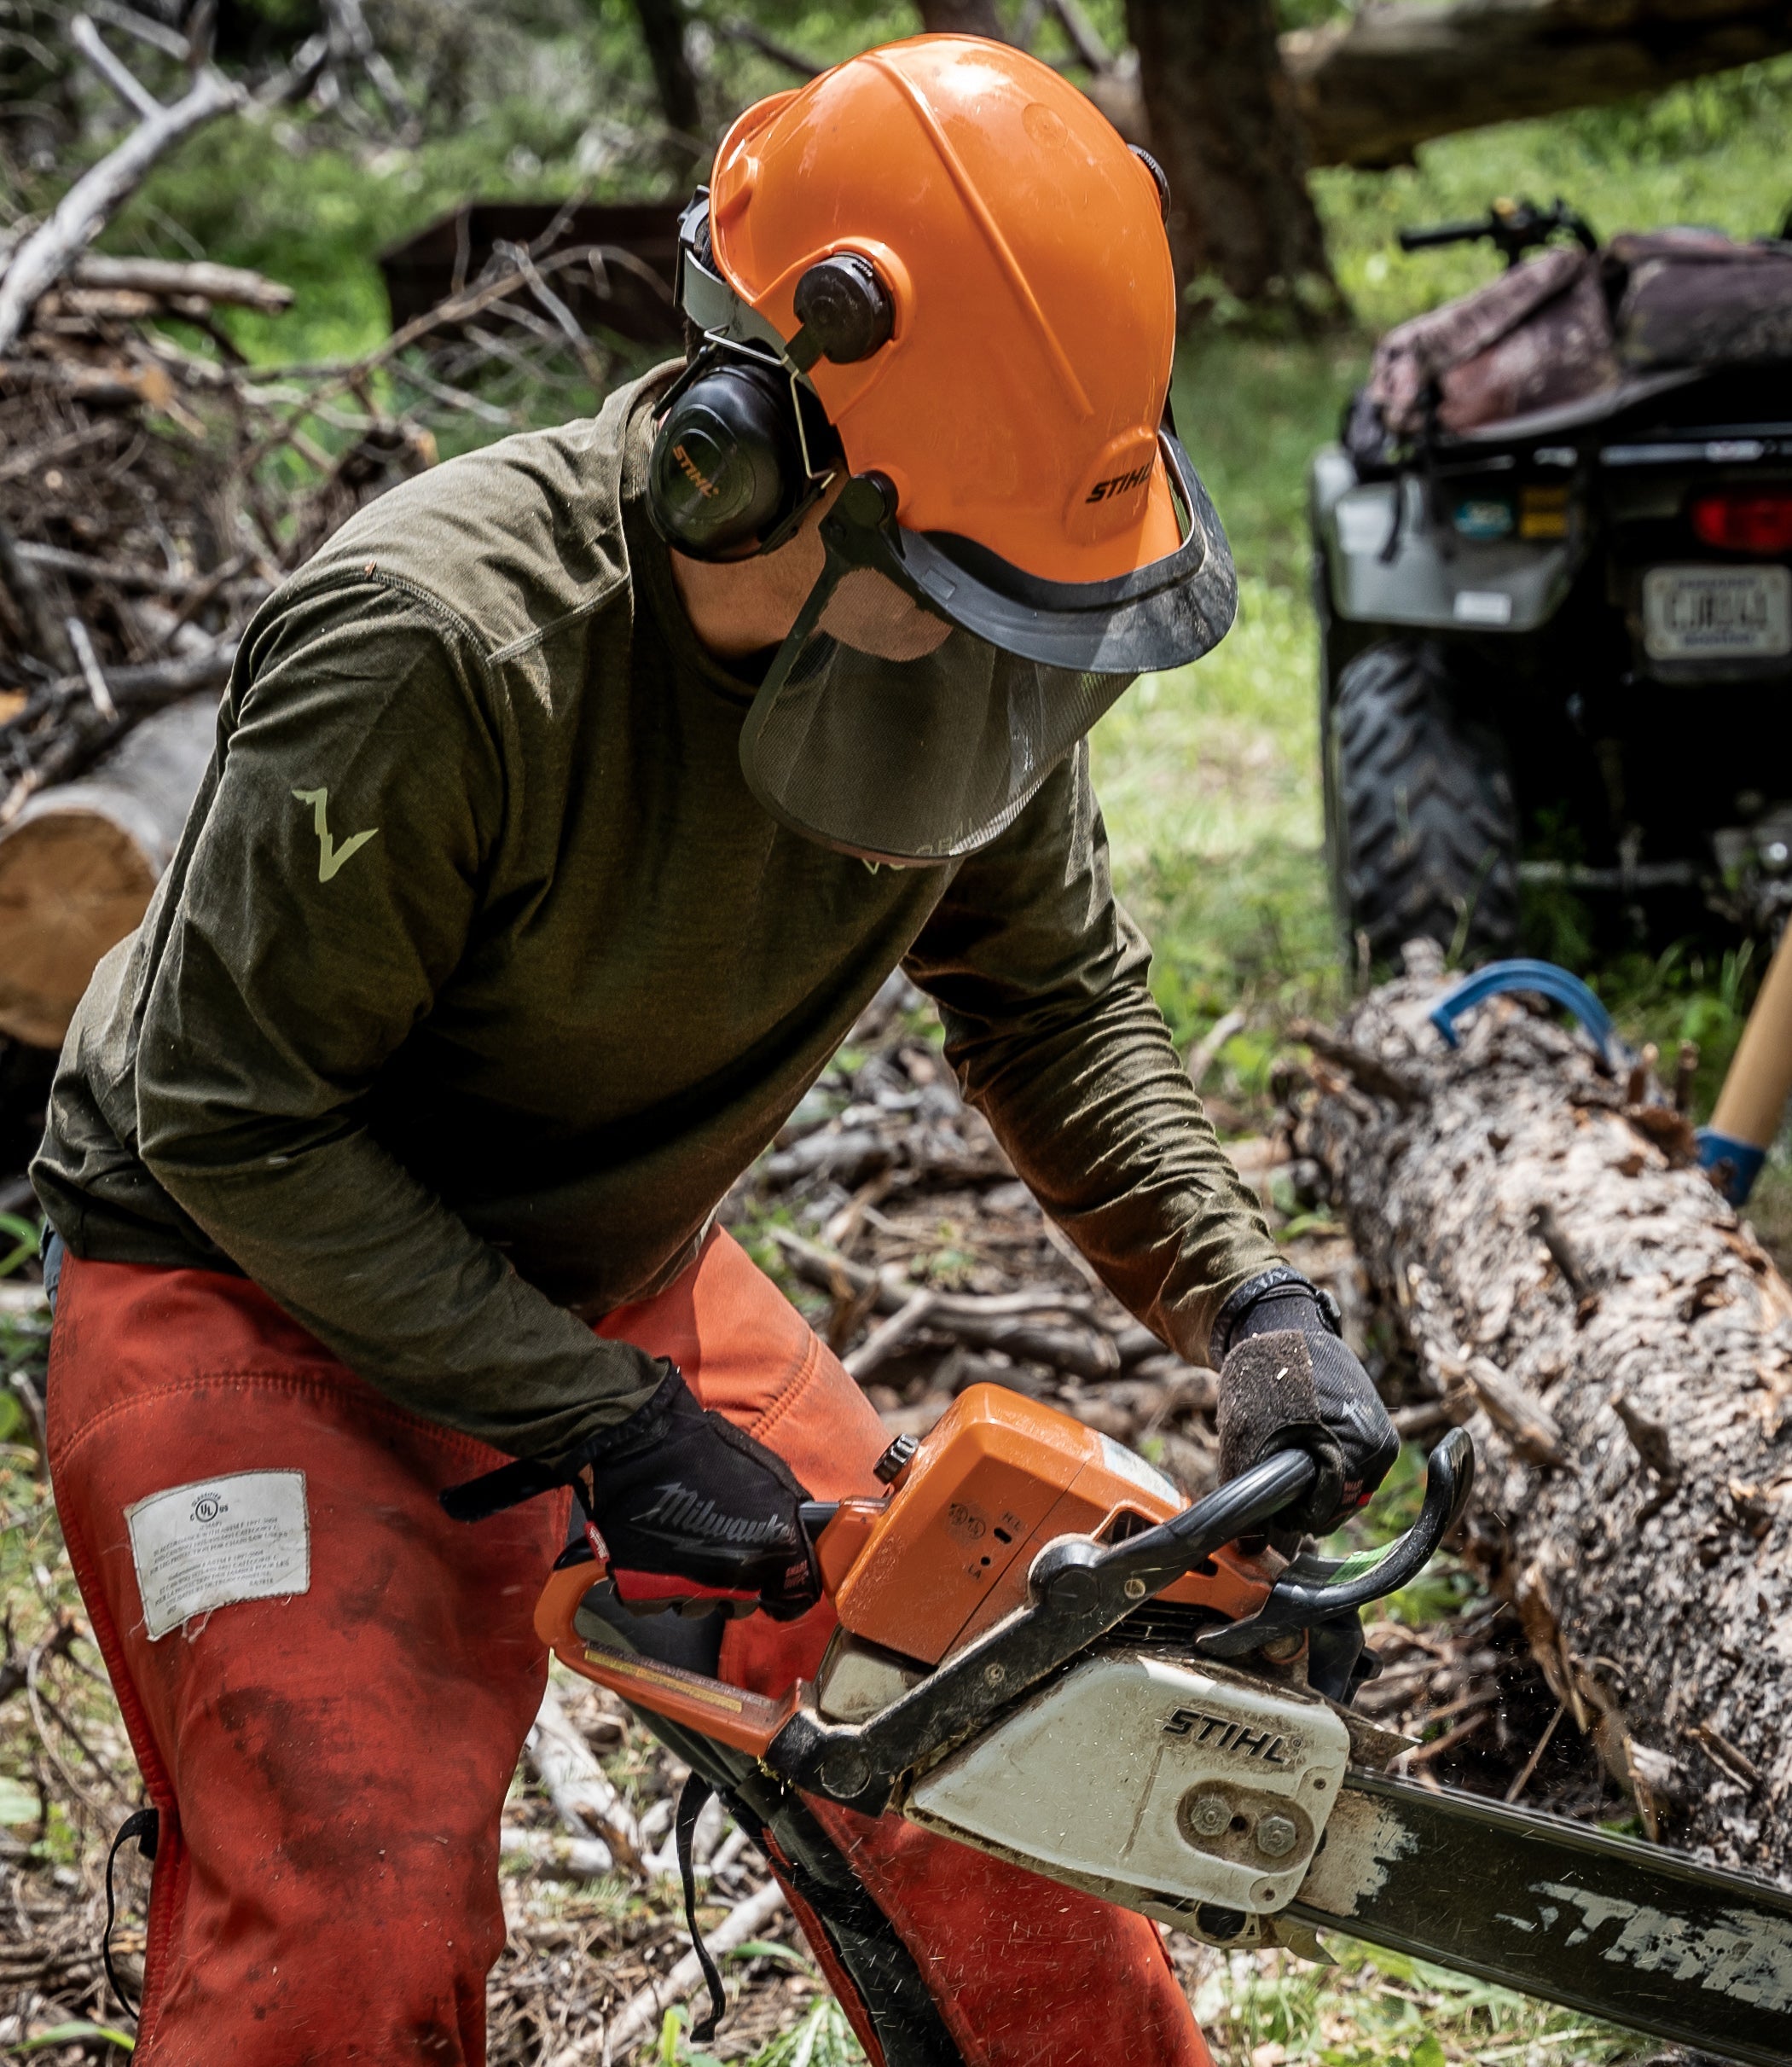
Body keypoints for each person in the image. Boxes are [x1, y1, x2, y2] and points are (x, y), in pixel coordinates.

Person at [33, 35, 1398, 2067]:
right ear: (747, 458)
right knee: (351, 1917)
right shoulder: (441, 651)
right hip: (245, 1285)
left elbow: (1052, 998)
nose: (1003, 658)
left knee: (986, 1761)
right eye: (964, 593)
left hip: (620, 1273)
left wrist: (1247, 1296)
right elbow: (235, 1120)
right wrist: (605, 1426)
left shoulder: (977, 636)